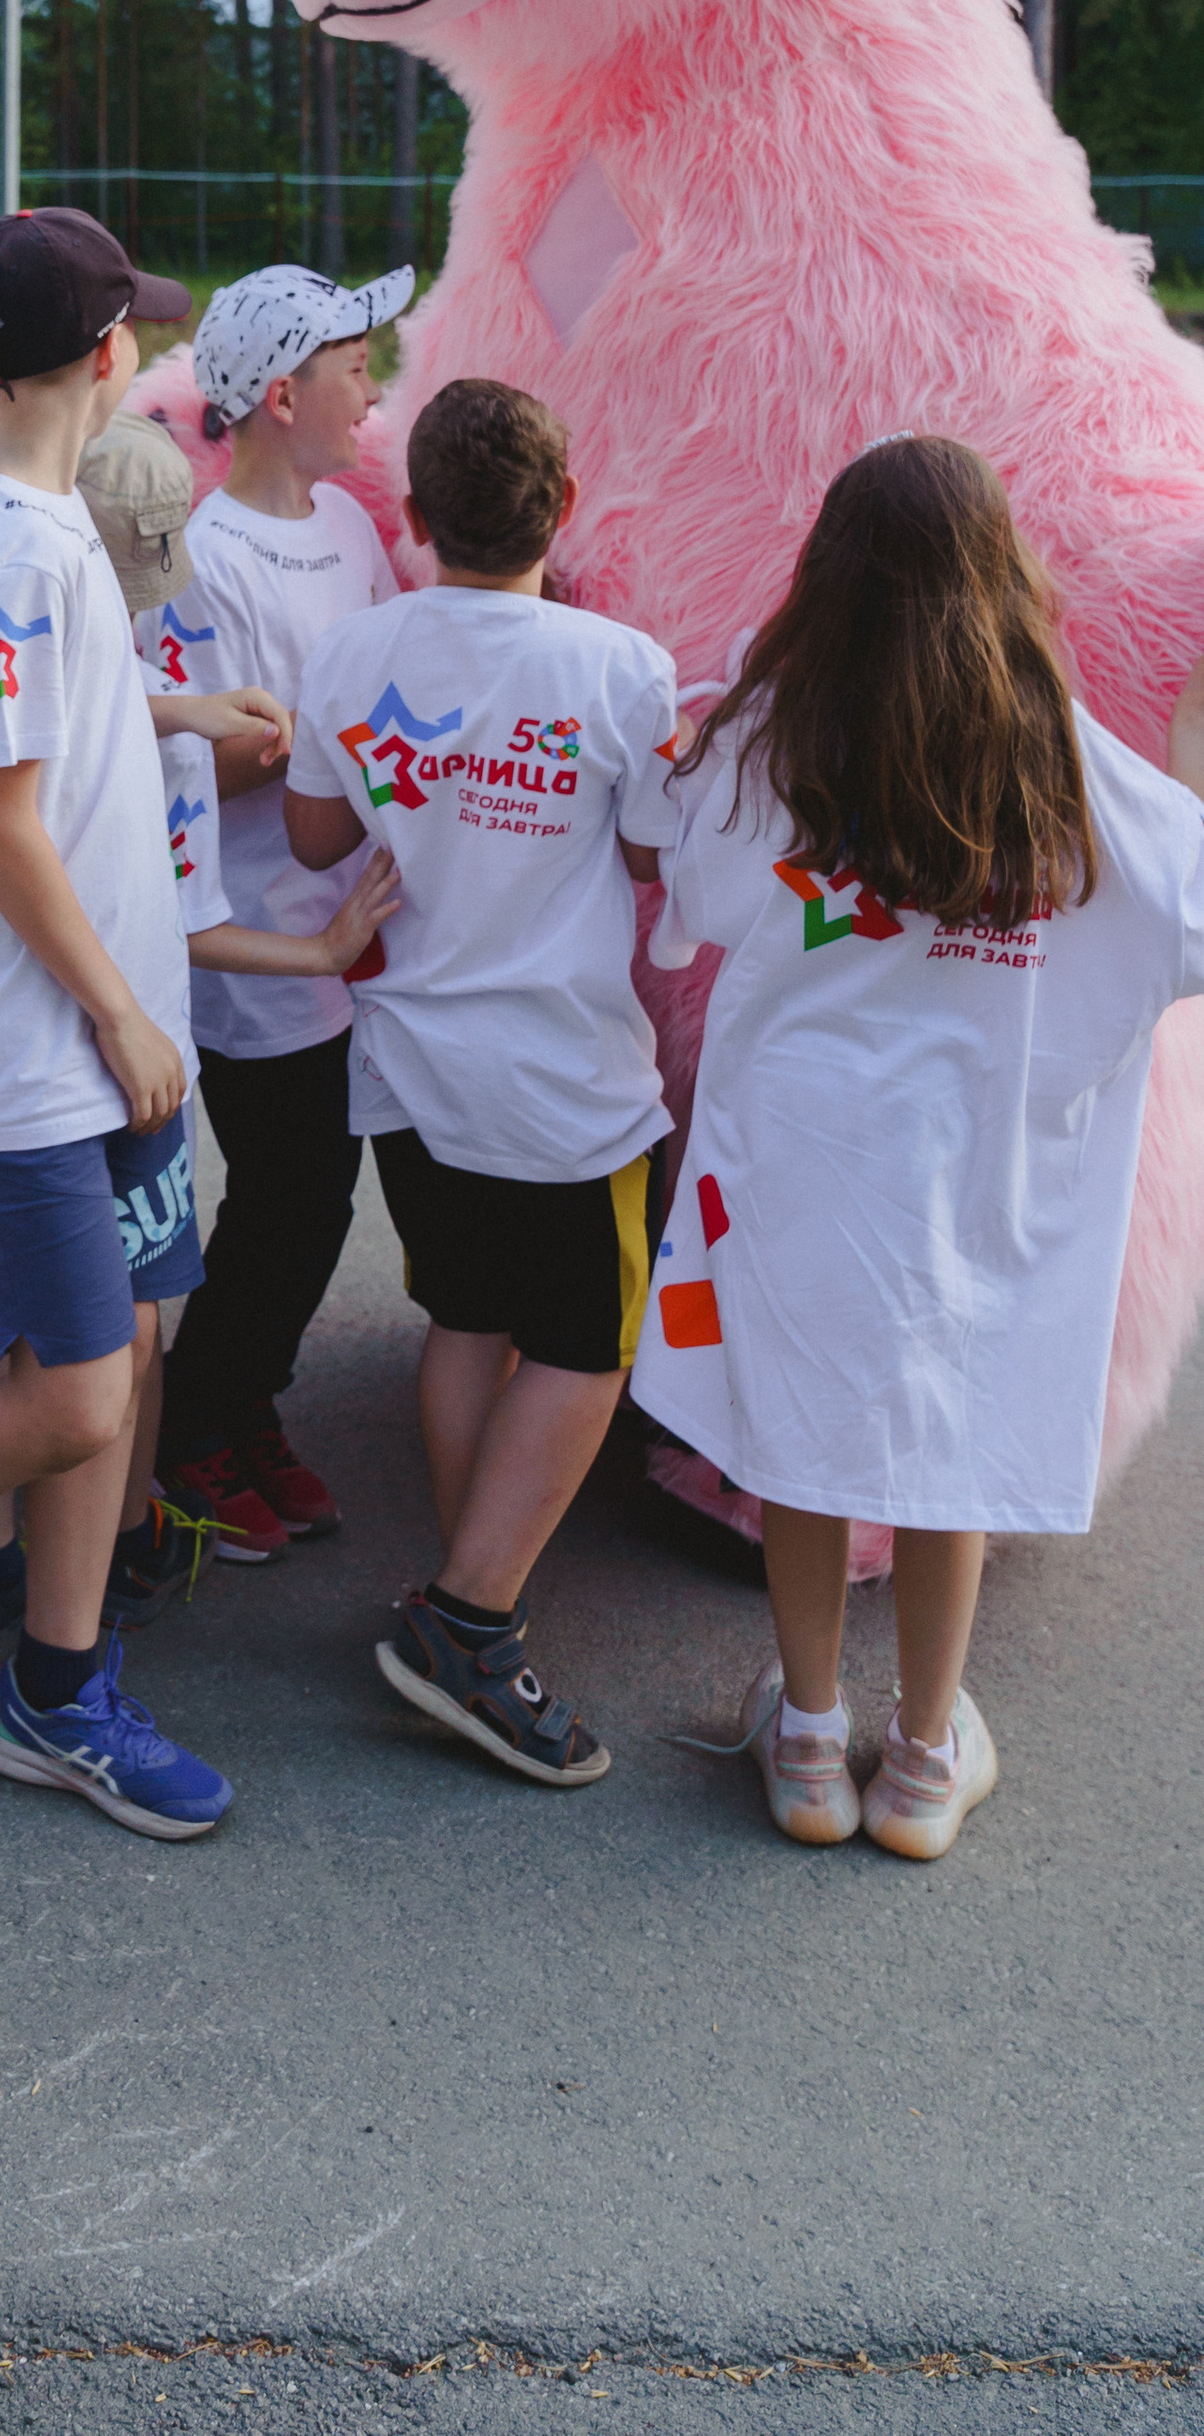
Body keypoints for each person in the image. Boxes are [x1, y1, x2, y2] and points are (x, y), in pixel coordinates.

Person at [639, 436, 1204, 1861]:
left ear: (828, 574)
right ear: (999, 573)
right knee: (961, 1442)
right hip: (997, 1177)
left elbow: (697, 895)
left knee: (803, 1443)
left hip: (803, 1166)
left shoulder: (772, 739)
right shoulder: (1074, 766)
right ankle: (924, 1758)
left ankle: (813, 1744)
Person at [0, 207, 290, 1843]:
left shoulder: (40, 525)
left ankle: (58, 1687)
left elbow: (37, 734)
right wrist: (125, 1016)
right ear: (112, 357)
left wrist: (174, 707)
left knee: (105, 1358)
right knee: (71, 1394)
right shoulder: (5, 548)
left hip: (92, 1043)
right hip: (47, 1055)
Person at [284, 377, 680, 1790]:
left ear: (414, 518)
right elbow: (649, 857)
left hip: (412, 1057)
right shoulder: (620, 666)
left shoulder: (355, 649)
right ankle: (473, 1615)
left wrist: (423, 784)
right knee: (584, 1348)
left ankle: (470, 1584)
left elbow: (323, 828)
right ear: (563, 511)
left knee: (467, 1315)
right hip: (563, 1073)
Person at [150, 263, 412, 1564]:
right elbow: (200, 753)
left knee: (306, 1195)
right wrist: (349, 750)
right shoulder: (207, 554)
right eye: (356, 364)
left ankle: (241, 1409)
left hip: (345, 922)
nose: (374, 387)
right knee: (295, 1197)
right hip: (256, 938)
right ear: (281, 392)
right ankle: (193, 1435)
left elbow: (344, 715)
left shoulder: (352, 528)